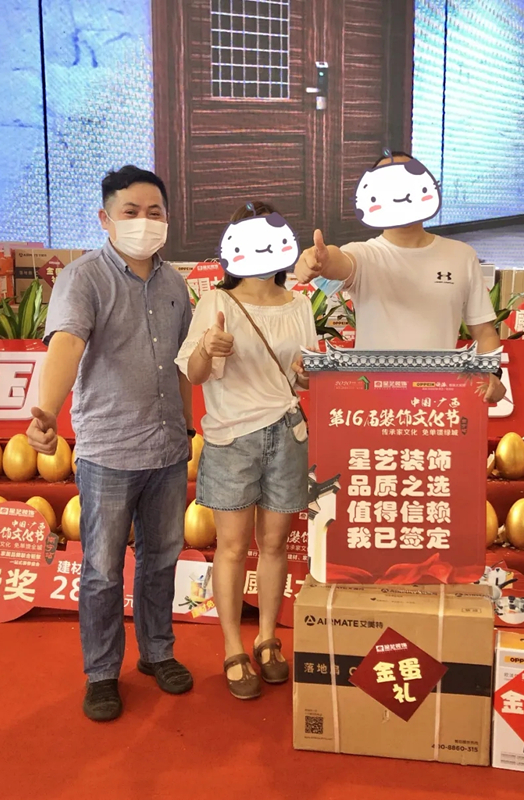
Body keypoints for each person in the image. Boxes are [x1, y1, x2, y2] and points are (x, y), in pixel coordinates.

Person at [26, 165, 195, 722]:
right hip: (110, 452)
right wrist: (46, 410)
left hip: (168, 450)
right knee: (101, 570)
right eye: (131, 212)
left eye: (155, 212)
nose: (145, 221)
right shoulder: (84, 278)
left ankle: (157, 652)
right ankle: (101, 673)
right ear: (105, 218)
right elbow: (67, 344)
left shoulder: (175, 285)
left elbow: (182, 363)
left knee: (161, 560)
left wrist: (189, 427)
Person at [176, 201, 317, 700]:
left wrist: (307, 373)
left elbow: (304, 376)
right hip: (231, 438)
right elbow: (193, 374)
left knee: (275, 545)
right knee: (233, 547)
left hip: (287, 433)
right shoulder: (216, 302)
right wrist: (207, 347)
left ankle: (267, 638)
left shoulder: (300, 305)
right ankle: (234, 646)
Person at [293, 151, 505, 403]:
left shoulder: (462, 255)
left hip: (436, 400)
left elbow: (484, 331)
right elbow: (340, 262)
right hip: (372, 401)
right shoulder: (365, 254)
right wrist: (320, 261)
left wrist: (492, 374)